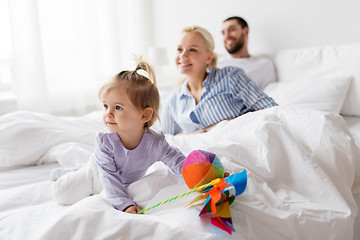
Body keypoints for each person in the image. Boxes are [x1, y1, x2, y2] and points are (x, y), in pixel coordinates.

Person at [51, 59, 186, 214]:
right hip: (96, 174)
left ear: (144, 115)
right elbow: (108, 177)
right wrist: (124, 204)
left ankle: (74, 170)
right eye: (106, 106)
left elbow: (179, 162)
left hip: (124, 179)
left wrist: (201, 175)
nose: (108, 113)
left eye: (118, 107)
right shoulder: (105, 141)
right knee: (62, 193)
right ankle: (70, 172)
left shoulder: (156, 143)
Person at [161, 25, 277, 135]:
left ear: (209, 57)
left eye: (193, 50)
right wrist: (191, 136)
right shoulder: (172, 101)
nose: (183, 55)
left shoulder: (231, 77)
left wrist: (220, 127)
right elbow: (164, 142)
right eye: (179, 49)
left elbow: (271, 108)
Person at [218, 16, 277, 90]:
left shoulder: (264, 65)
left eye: (232, 30)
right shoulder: (215, 62)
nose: (226, 36)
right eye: (223, 33)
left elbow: (270, 94)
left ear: (246, 31)